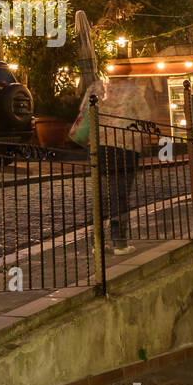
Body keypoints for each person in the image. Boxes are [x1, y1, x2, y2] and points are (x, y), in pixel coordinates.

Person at [70, 76, 160, 254]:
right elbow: (145, 117)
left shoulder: (95, 88)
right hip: (124, 147)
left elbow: (83, 112)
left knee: (101, 195)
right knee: (120, 195)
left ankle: (97, 242)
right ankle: (120, 242)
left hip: (98, 146)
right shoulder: (132, 90)